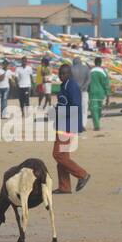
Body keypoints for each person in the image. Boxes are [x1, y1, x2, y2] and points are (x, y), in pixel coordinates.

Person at [53, 62, 89, 193]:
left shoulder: (72, 86)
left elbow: (75, 107)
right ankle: (64, 187)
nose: (61, 76)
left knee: (58, 155)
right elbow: (65, 103)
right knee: (63, 156)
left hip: (68, 124)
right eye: (60, 73)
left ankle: (82, 174)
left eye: (64, 73)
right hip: (63, 123)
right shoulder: (64, 85)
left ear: (70, 74)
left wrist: (61, 112)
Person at [88, 56, 110, 131]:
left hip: (92, 92)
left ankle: (96, 125)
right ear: (100, 63)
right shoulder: (104, 72)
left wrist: (87, 91)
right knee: (99, 109)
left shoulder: (90, 72)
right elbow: (106, 84)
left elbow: (88, 83)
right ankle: (97, 124)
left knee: (94, 110)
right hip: (101, 93)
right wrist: (108, 96)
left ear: (94, 63)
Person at [72, 56, 92, 135]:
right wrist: (83, 87)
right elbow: (89, 80)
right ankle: (83, 125)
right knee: (84, 109)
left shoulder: (71, 69)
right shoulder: (86, 69)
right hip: (84, 91)